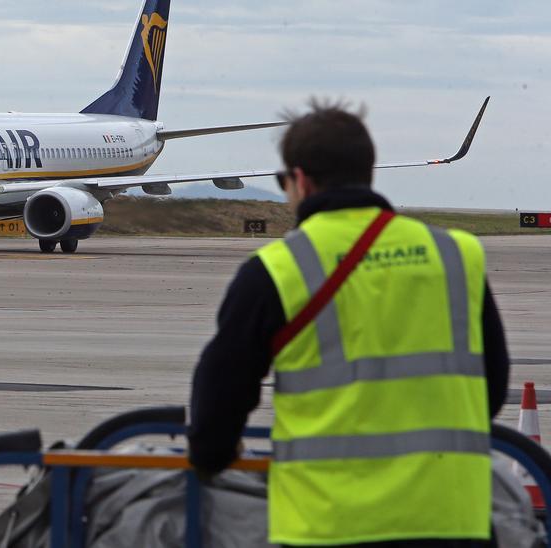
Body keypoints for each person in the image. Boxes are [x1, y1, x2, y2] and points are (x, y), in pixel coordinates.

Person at [187, 100, 509, 547]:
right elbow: (492, 388)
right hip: (451, 519)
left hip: (330, 524)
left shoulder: (277, 269)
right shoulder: (456, 255)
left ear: (298, 179)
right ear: (369, 172)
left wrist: (211, 457)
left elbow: (217, 405)